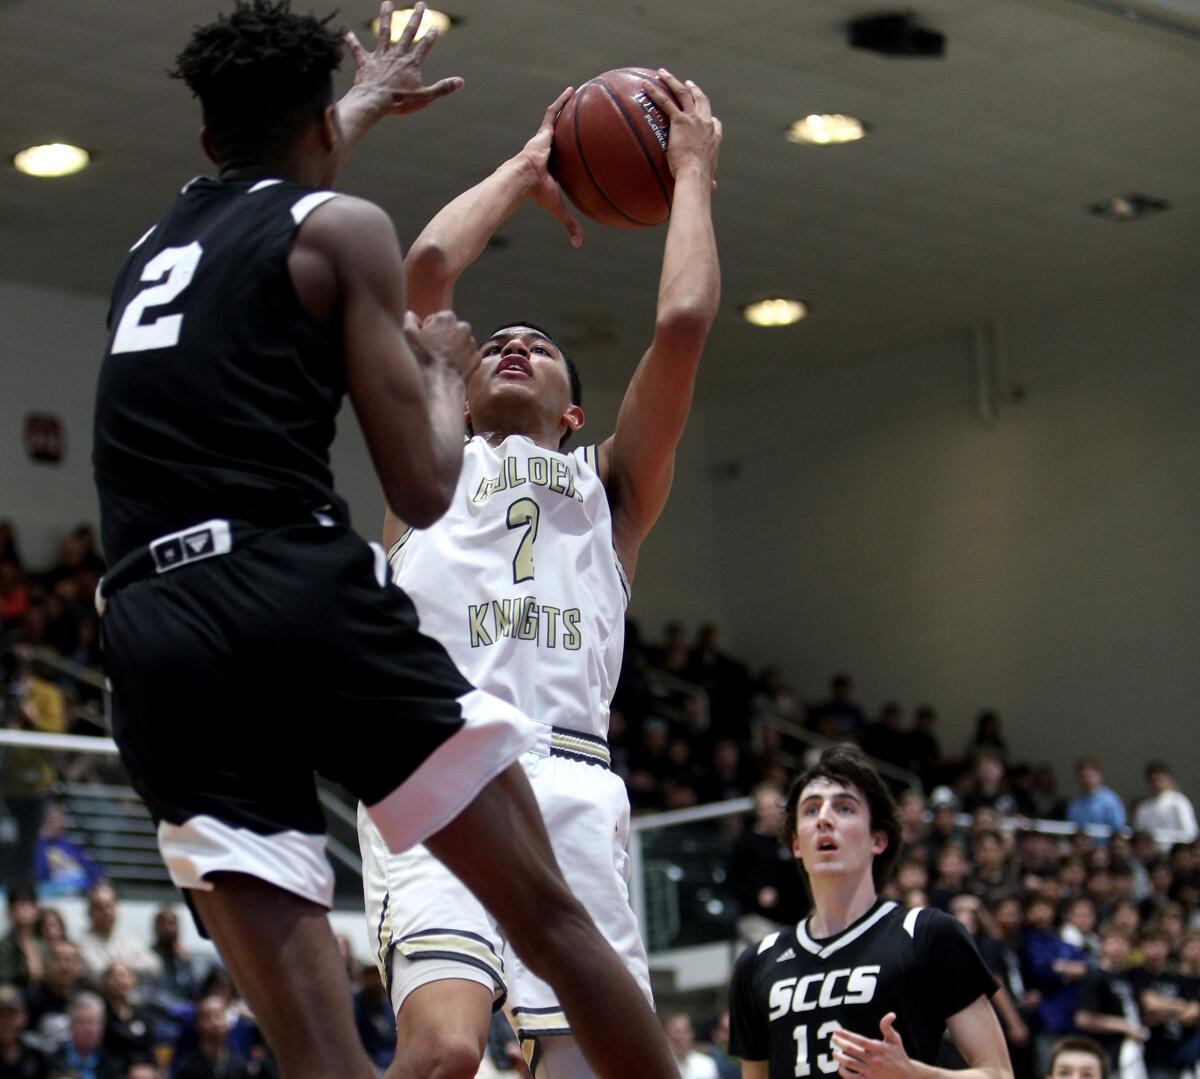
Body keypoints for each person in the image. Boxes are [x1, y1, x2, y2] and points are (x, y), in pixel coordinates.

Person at [90, 4, 677, 1078]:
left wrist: (353, 102)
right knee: (554, 924)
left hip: (151, 627)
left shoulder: (150, 246)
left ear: (205, 135)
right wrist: (442, 376)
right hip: (287, 583)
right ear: (319, 124)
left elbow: (263, 175)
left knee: (324, 1060)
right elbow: (423, 482)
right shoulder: (344, 227)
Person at [353, 54, 720, 1079]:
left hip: (572, 780)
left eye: (540, 345)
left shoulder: (612, 490)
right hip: (437, 760)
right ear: (457, 395)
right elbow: (425, 267)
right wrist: (526, 165)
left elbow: (683, 324)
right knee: (444, 1052)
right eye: (495, 342)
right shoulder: (426, 460)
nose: (512, 344)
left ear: (573, 412)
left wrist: (692, 172)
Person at [728, 745, 1011, 1079]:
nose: (824, 819)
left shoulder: (927, 933)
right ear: (795, 845)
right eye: (811, 809)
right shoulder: (756, 963)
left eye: (844, 808)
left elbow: (999, 1074)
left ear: (878, 839)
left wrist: (913, 1075)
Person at [1133, 765, 1198, 848]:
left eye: (1159, 779)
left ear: (1168, 779)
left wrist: (1157, 837)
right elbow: (1139, 836)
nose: (1156, 784)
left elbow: (1190, 834)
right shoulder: (1143, 808)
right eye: (1152, 780)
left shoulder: (1179, 802)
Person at [0, 984, 50, 1079]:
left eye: (11, 1015)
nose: (5, 1022)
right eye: (1, 1016)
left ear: (24, 1017)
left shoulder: (36, 1055)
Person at [1067, 760, 1126, 839]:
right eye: (1083, 777)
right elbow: (1072, 827)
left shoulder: (1110, 800)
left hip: (1106, 848)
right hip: (1082, 848)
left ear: (1099, 776)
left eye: (1090, 776)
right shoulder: (1075, 802)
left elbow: (1118, 828)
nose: (1087, 780)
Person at [663, 1013, 718, 1079]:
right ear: (665, 1036)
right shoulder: (659, 1065)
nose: (681, 1037)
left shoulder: (706, 1064)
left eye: (686, 1031)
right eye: (677, 1032)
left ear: (692, 1034)